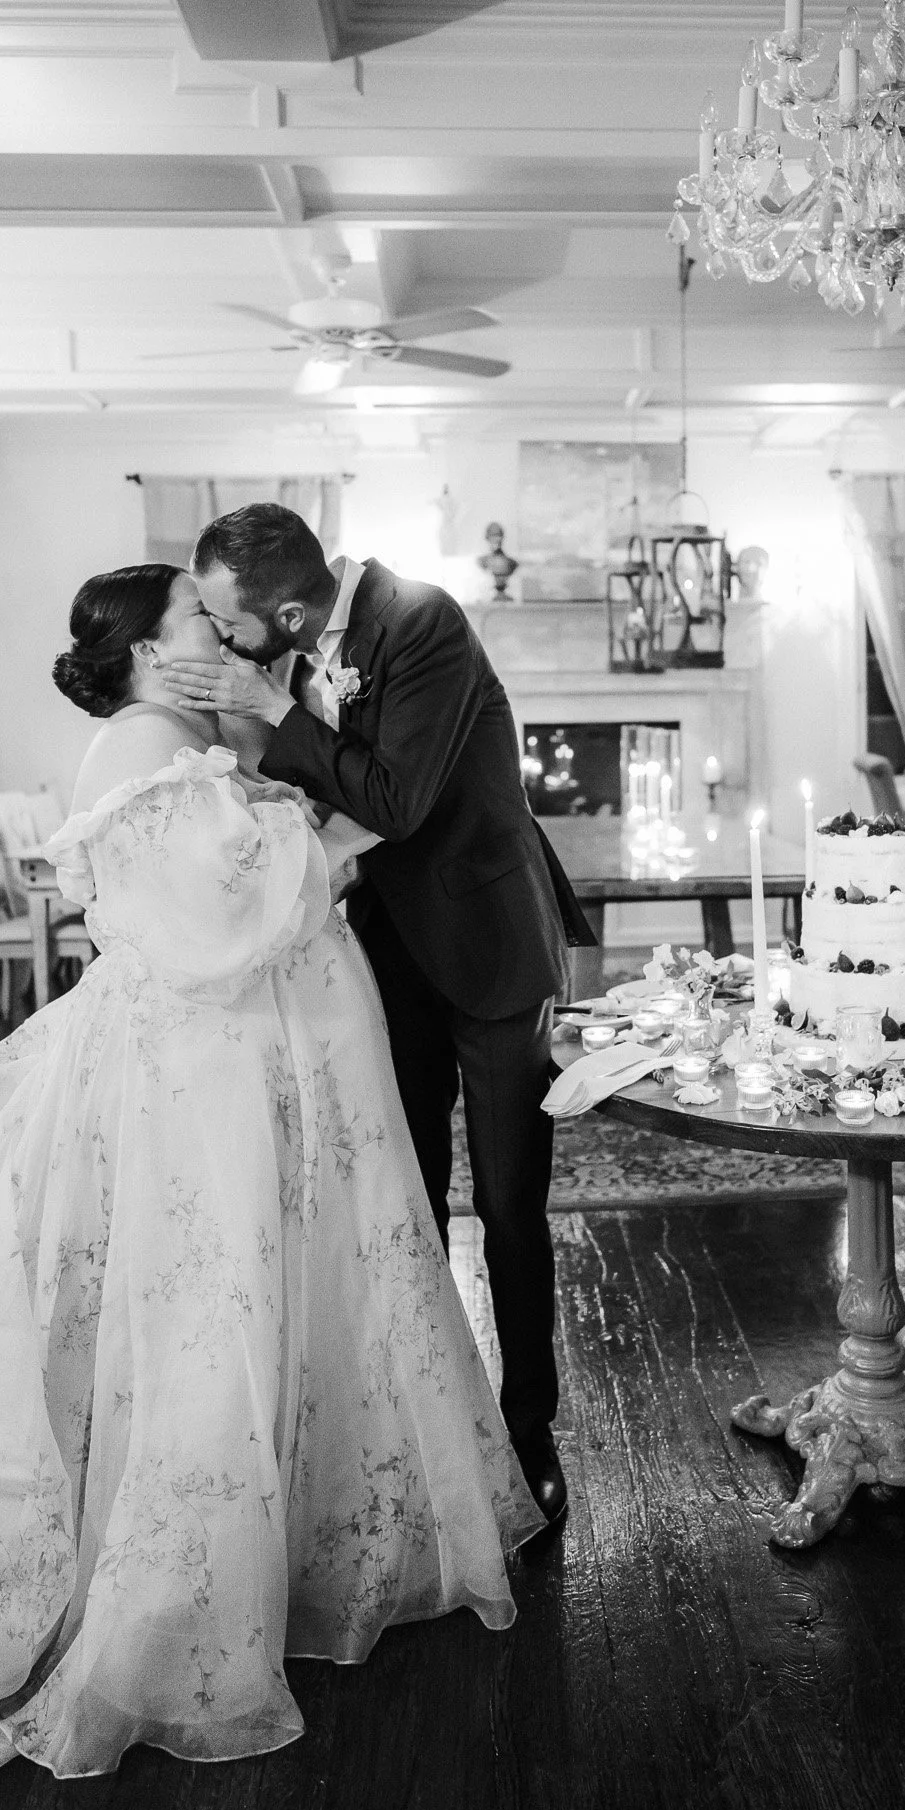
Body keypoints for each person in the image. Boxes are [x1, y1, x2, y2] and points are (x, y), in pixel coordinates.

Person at [0, 565, 541, 1778]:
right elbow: (229, 919)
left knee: (273, 1292)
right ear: (142, 653)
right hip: (192, 1084)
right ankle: (177, 1571)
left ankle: (292, 1517)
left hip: (239, 1072)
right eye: (195, 618)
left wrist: (288, 764)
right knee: (200, 1301)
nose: (220, 632)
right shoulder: (137, 748)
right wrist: (326, 830)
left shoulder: (186, 733)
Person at [161, 506, 594, 1533]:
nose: (224, 641)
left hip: (489, 950)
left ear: (294, 609)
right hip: (386, 954)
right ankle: (421, 1426)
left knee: (509, 1208)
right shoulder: (300, 651)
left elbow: (395, 801)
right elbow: (321, 795)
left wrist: (270, 713)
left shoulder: (423, 621)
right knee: (403, 1202)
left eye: (232, 622)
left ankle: (527, 1432)